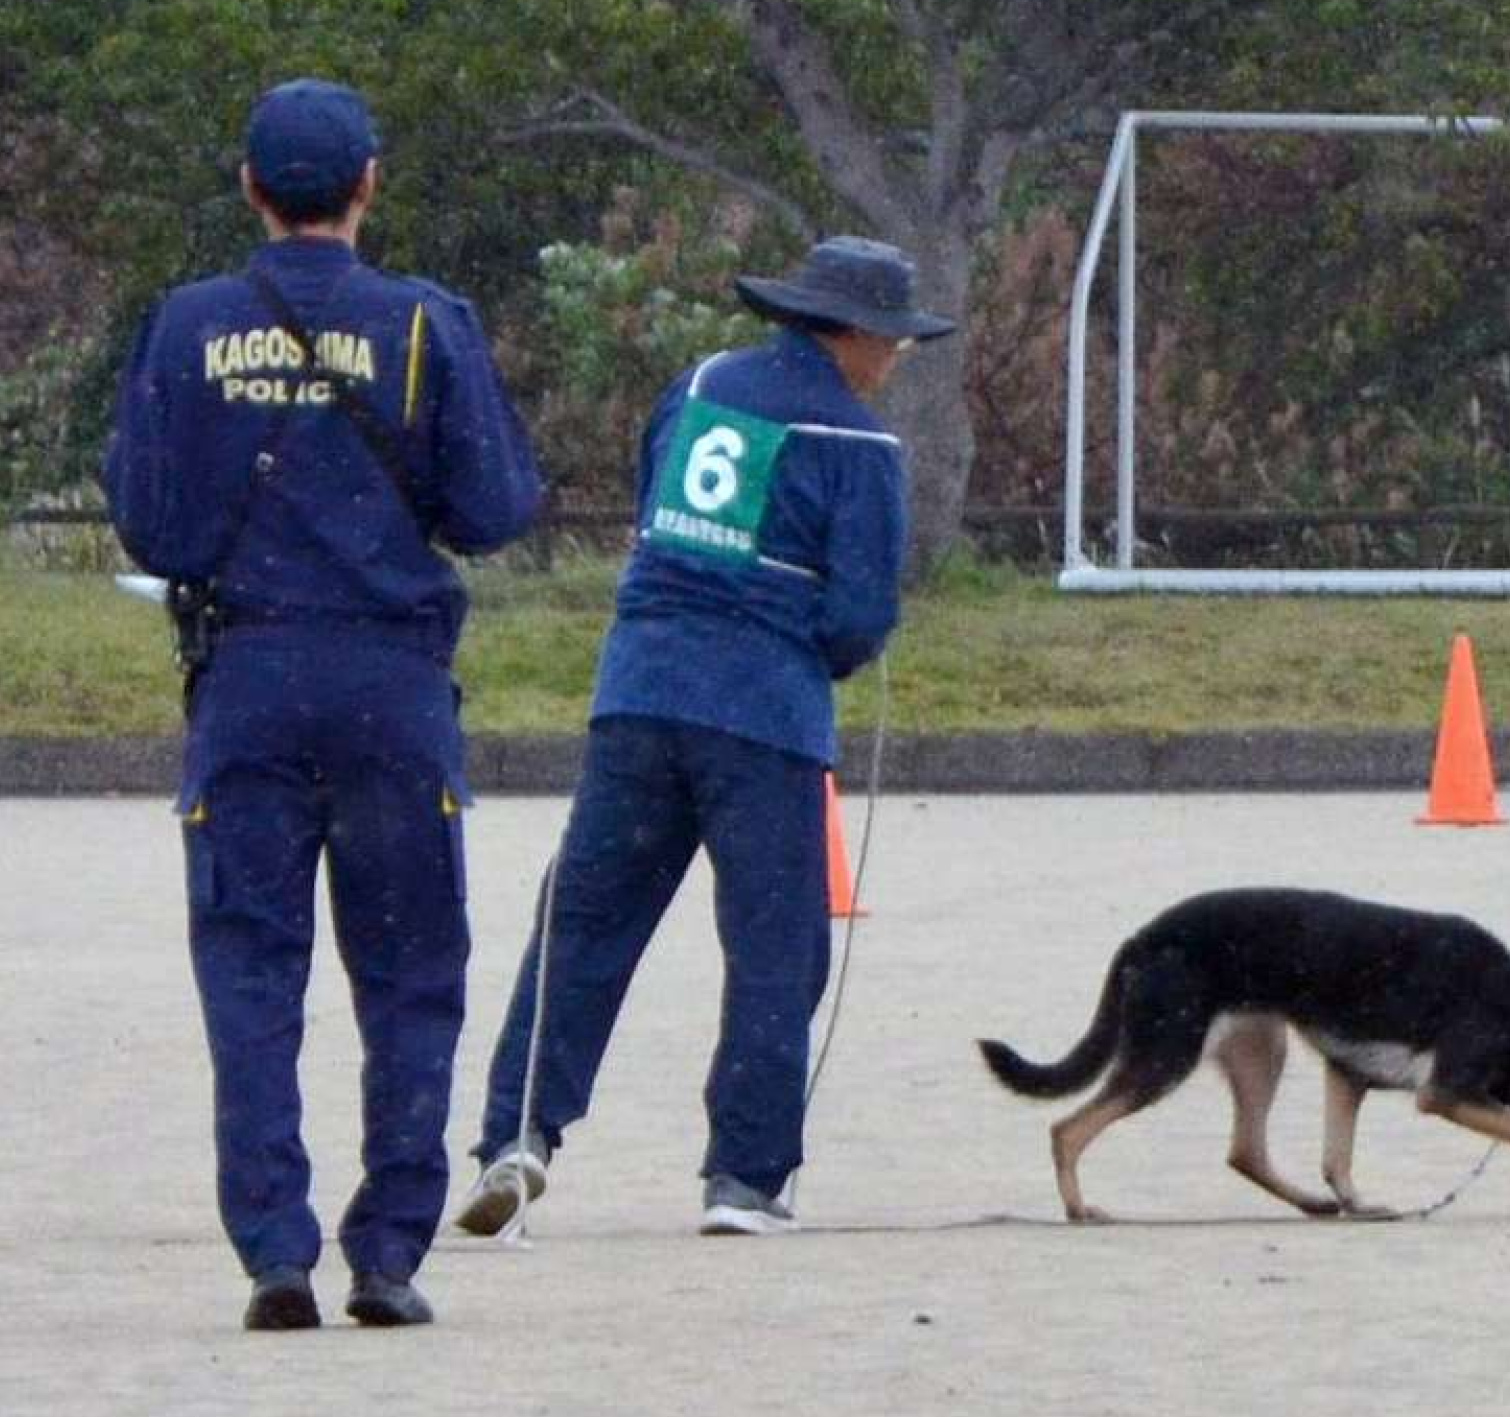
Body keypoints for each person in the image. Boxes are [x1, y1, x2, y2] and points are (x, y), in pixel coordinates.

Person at [102, 79, 542, 1328]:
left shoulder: (187, 326)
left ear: (249, 187)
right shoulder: (423, 323)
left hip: (245, 678)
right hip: (392, 686)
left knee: (250, 969)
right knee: (410, 970)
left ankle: (274, 1248)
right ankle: (391, 1248)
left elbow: (147, 516)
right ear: (369, 185)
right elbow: (495, 508)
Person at [455, 235, 954, 1238]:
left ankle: (519, 1132)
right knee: (776, 945)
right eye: (892, 341)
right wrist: (818, 648)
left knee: (585, 922)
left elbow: (657, 512)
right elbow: (860, 612)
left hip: (639, 689)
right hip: (766, 713)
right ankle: (745, 1176)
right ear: (851, 333)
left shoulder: (700, 385)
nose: (896, 359)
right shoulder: (862, 445)